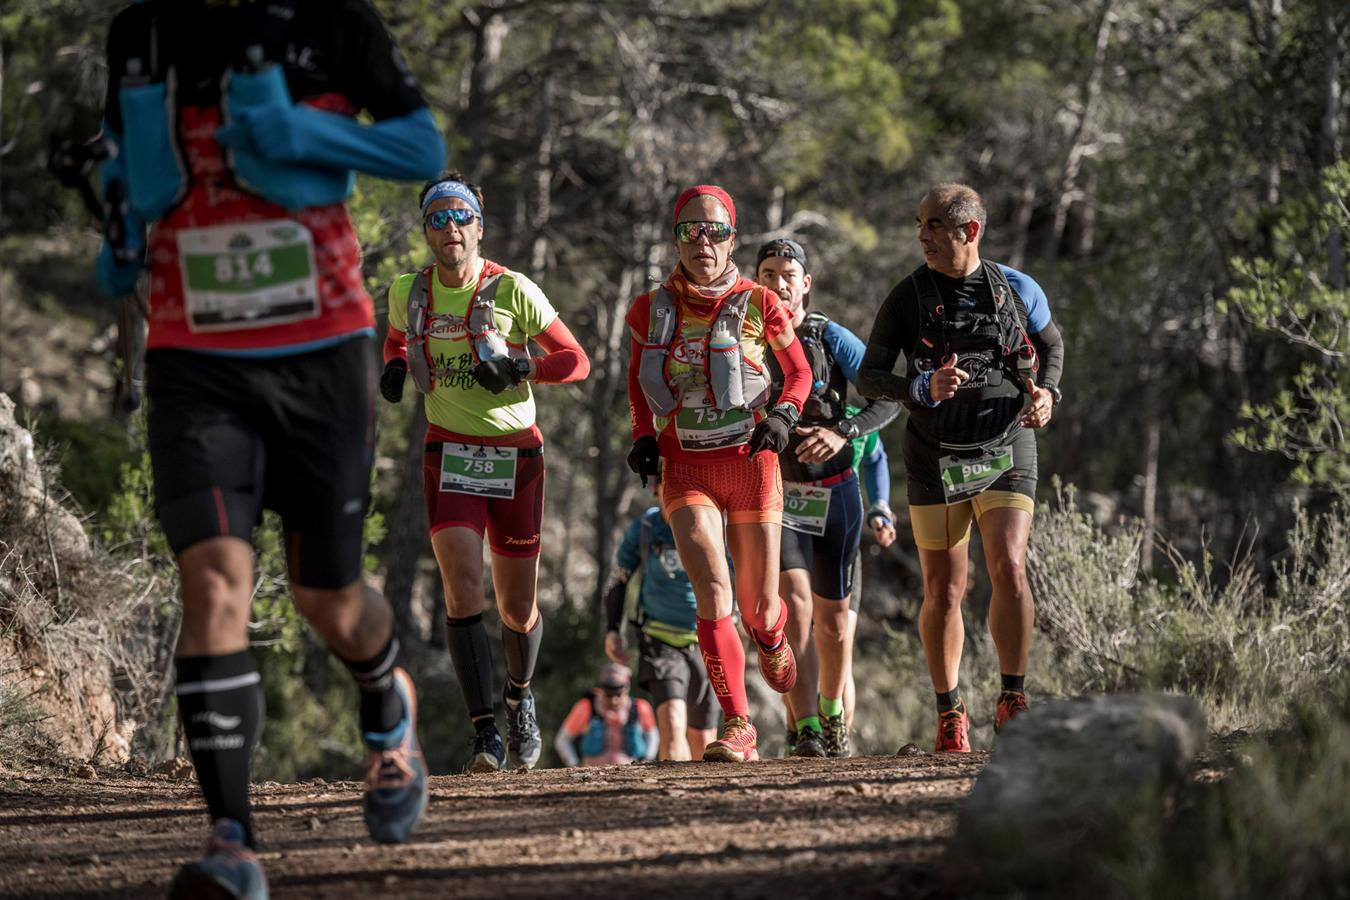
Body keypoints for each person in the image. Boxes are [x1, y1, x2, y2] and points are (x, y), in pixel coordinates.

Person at [94, 2, 446, 896]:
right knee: (214, 579)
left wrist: (299, 134)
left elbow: (420, 151)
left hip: (322, 355)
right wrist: (120, 231)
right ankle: (232, 842)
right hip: (193, 359)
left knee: (331, 600)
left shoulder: (333, 24)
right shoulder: (143, 33)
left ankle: (384, 696)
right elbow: (122, 168)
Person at [380, 172, 590, 774]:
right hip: (447, 451)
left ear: (479, 225)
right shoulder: (408, 291)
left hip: (516, 455)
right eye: (438, 219)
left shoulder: (513, 290)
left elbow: (577, 361)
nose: (451, 229)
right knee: (461, 585)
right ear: (425, 231)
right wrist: (393, 368)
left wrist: (523, 366)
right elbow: (397, 340)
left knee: (517, 609)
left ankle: (519, 698)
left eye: (460, 217)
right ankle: (484, 737)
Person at [857, 183, 1064, 753]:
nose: (921, 236)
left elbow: (1053, 345)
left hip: (1007, 448)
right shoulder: (908, 298)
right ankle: (950, 712)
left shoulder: (1018, 288)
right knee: (945, 591)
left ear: (968, 231)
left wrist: (1047, 392)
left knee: (1009, 567)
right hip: (935, 458)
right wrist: (920, 386)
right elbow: (869, 377)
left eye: (932, 226)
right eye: (919, 224)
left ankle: (1013, 699)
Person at [624, 184, 812, 763]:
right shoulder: (649, 309)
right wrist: (641, 438)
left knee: (757, 608)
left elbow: (798, 373)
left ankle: (773, 633)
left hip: (750, 465)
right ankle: (739, 725)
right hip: (685, 467)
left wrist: (783, 416)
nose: (703, 242)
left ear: (733, 238)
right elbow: (636, 384)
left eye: (715, 231)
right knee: (712, 591)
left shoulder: (761, 302)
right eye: (690, 231)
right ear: (675, 236)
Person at [754, 239, 899, 760]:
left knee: (835, 626)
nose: (778, 283)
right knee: (793, 613)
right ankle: (807, 727)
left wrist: (843, 431)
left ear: (806, 283)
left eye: (788, 274)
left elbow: (889, 397)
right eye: (767, 273)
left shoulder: (828, 337)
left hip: (835, 494)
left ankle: (834, 712)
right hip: (777, 498)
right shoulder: (745, 337)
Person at [602, 472, 718, 760]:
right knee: (672, 721)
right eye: (669, 485)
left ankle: (704, 800)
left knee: (704, 739)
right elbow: (618, 579)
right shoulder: (647, 526)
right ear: (657, 489)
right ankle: (673, 798)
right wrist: (613, 629)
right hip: (659, 639)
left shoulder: (715, 523)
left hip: (710, 643)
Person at [555, 664, 659, 767]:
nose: (614, 700)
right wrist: (573, 764)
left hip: (630, 773)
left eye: (618, 694)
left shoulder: (640, 707)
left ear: (627, 688)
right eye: (609, 695)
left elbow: (653, 736)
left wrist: (648, 759)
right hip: (592, 773)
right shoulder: (586, 706)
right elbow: (562, 740)